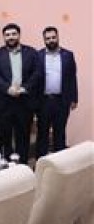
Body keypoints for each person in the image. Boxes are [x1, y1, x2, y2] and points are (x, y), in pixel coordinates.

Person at [0, 23, 40, 163]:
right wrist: (7, 88)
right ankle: (7, 166)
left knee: (23, 136)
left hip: (24, 102)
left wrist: (24, 88)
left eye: (13, 34)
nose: (11, 37)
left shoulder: (31, 53)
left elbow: (37, 73)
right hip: (3, 103)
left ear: (19, 35)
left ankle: (22, 165)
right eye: (7, 35)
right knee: (4, 136)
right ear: (4, 37)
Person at [35, 27, 78, 156]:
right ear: (44, 40)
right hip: (43, 101)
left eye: (53, 37)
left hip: (62, 101)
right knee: (42, 133)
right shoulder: (38, 56)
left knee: (60, 133)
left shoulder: (68, 55)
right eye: (48, 38)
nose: (51, 40)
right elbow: (34, 80)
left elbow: (72, 77)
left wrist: (74, 98)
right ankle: (40, 162)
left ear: (58, 37)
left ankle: (60, 163)